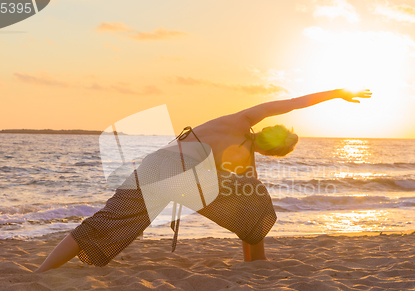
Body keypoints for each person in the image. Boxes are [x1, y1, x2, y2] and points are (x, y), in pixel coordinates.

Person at [35, 88, 371, 273]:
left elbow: (294, 103)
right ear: (272, 151)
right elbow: (247, 209)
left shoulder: (241, 119)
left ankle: (44, 271)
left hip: (155, 163)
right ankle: (257, 261)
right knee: (255, 202)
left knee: (107, 220)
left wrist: (338, 93)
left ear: (270, 130)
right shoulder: (244, 158)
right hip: (177, 173)